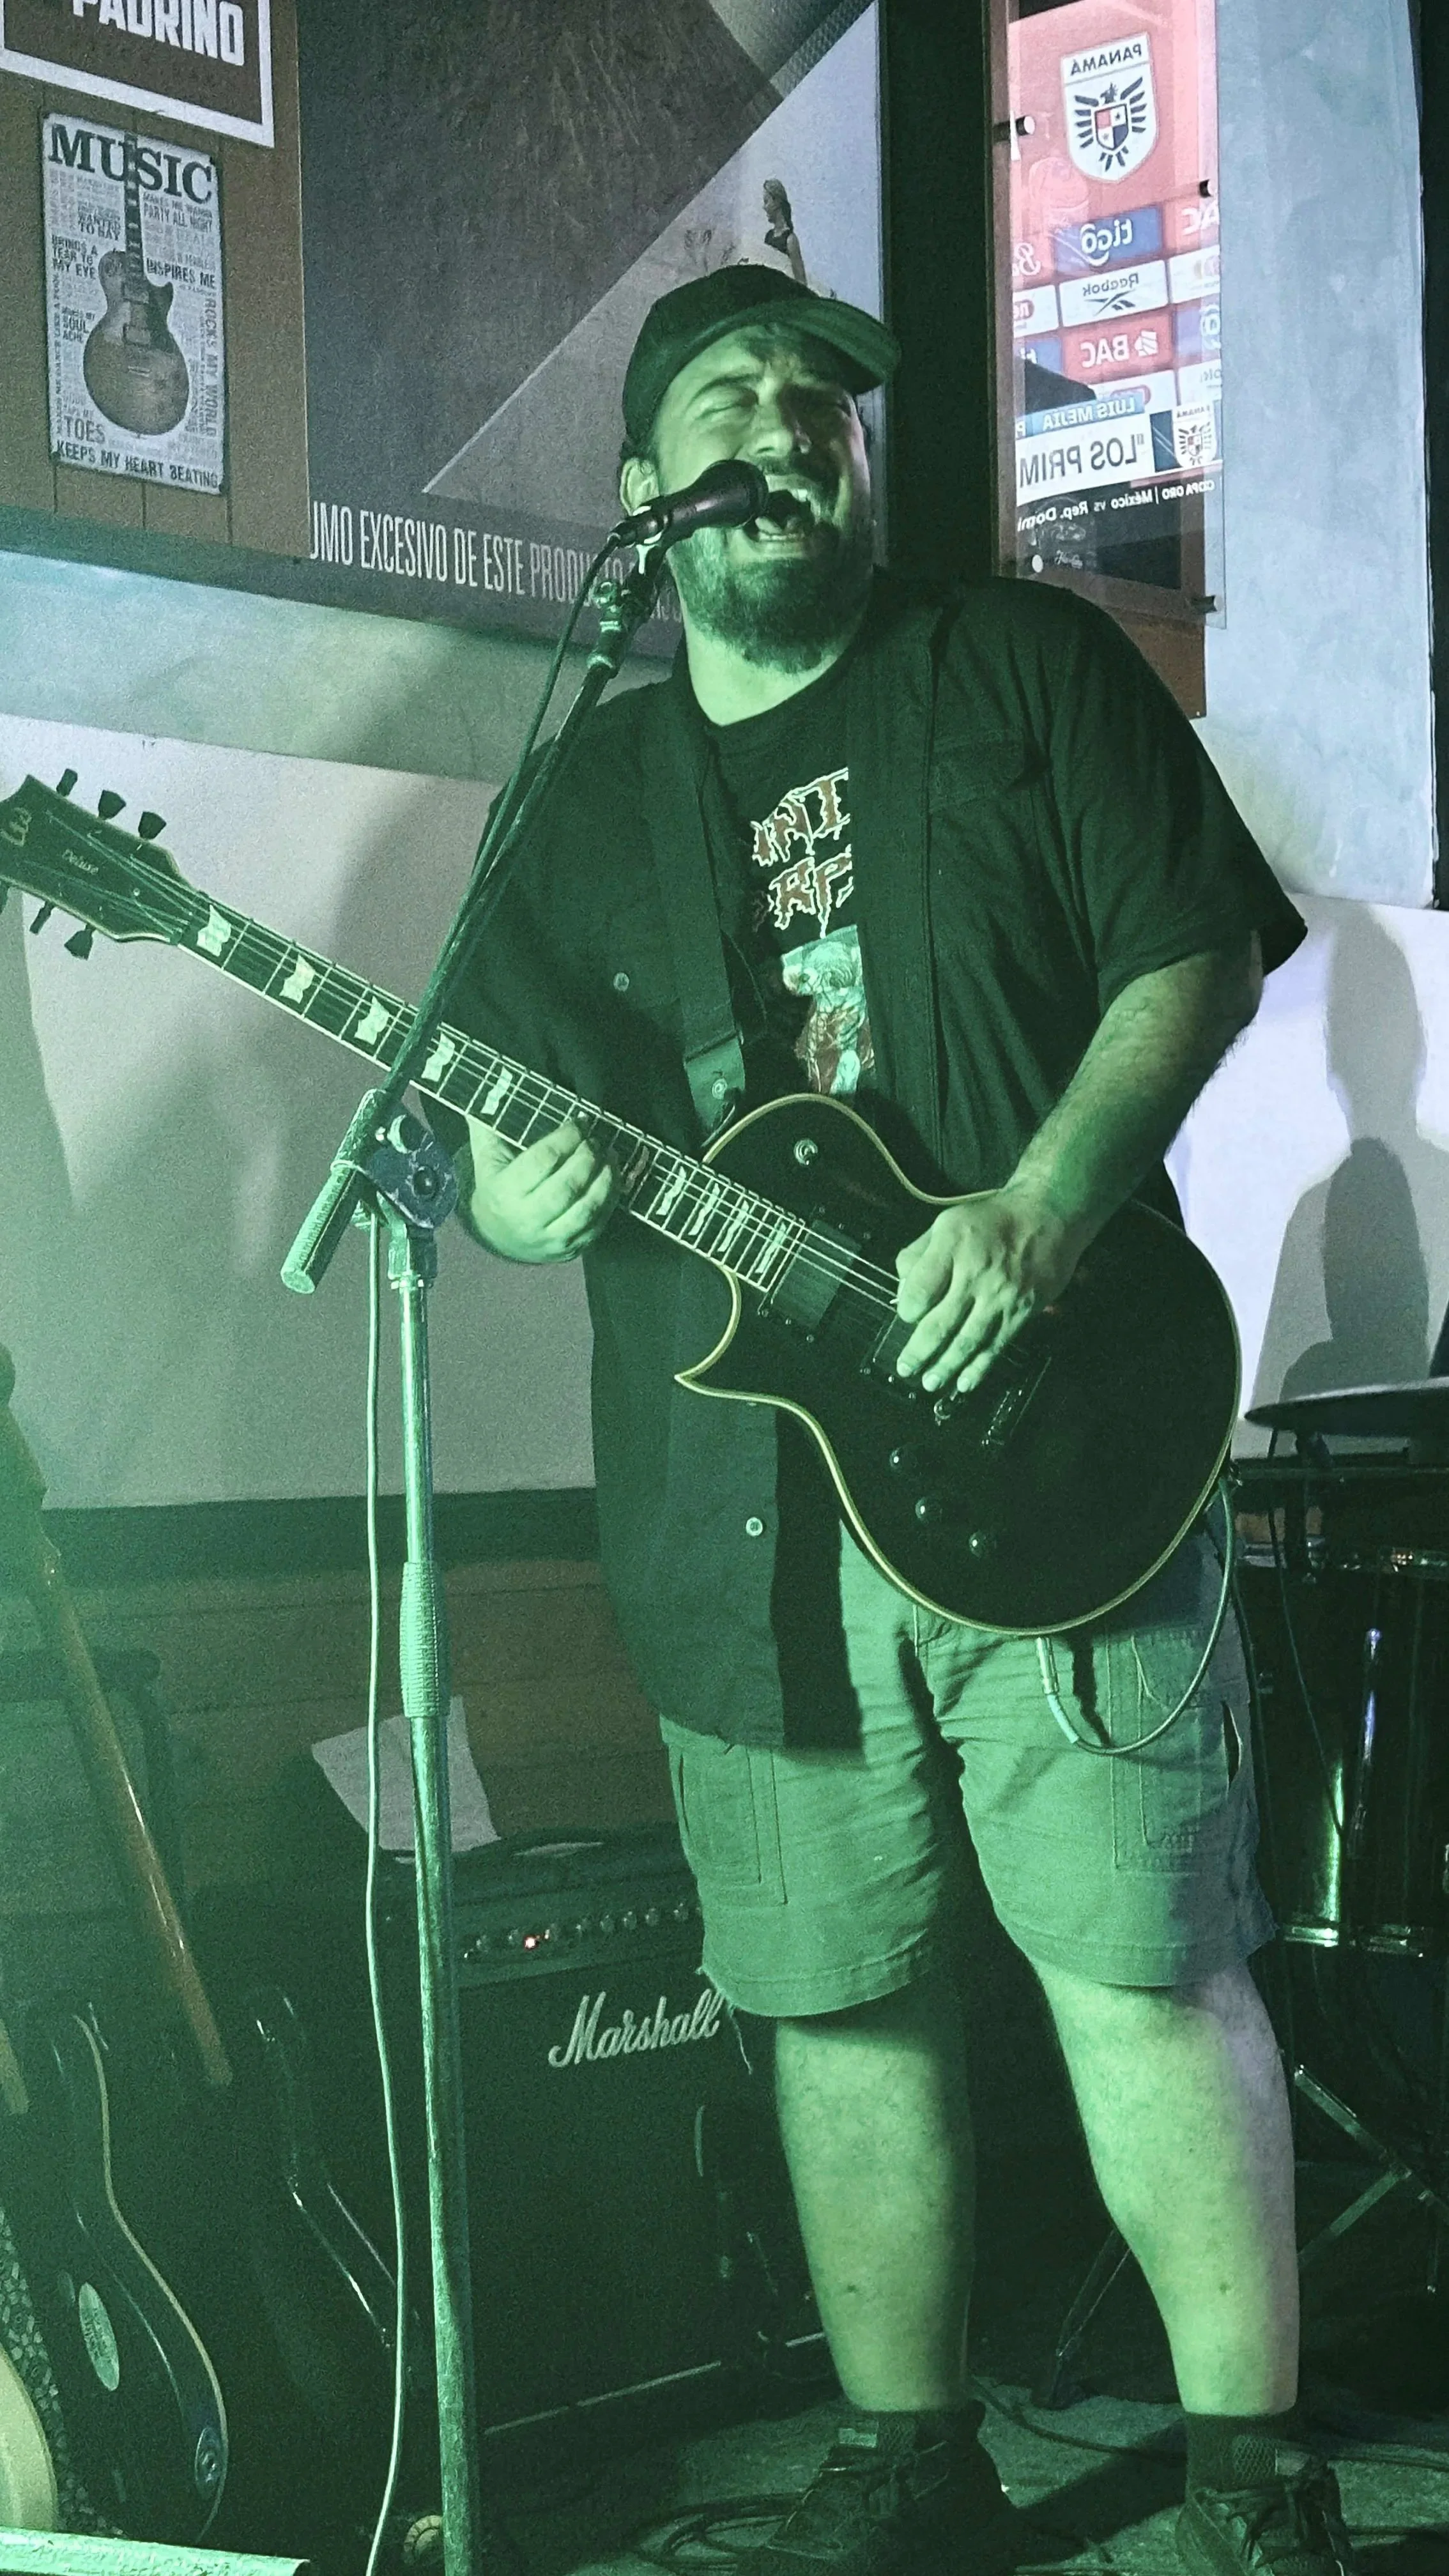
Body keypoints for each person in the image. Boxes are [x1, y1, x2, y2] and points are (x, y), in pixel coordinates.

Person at [438, 264, 1354, 2576]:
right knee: (831, 1994)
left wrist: (1042, 1211)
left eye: (822, 400)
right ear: (644, 495)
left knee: (1137, 1955)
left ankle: (1251, 2472)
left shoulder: (1018, 669)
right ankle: (903, 2456)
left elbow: (1194, 949)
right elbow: (505, 1115)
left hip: (1063, 1434)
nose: (789, 425)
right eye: (731, 401)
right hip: (740, 1495)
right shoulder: (588, 789)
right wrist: (511, 1193)